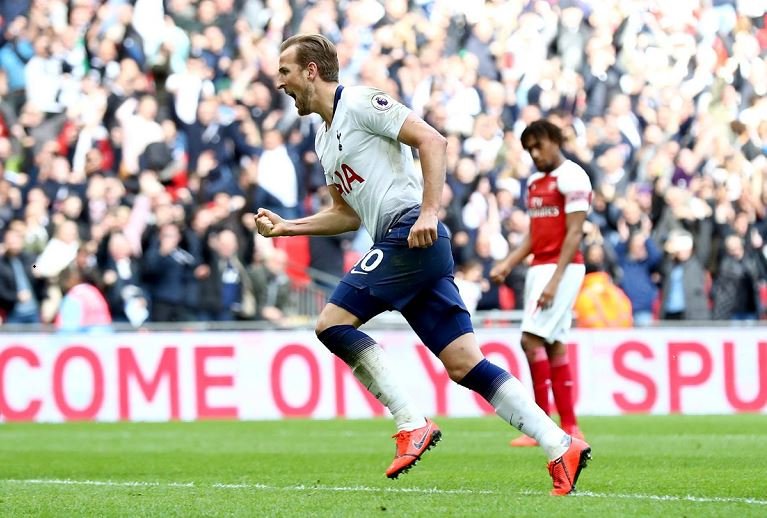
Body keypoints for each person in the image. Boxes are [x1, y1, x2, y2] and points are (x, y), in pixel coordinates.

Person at [255, 34, 590, 495]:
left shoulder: (359, 102)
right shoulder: (322, 136)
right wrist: (287, 228)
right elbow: (347, 213)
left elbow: (432, 140)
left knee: (331, 323)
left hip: (412, 231)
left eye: (285, 72)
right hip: (409, 246)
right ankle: (559, 444)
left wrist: (430, 210)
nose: (279, 83)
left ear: (311, 70)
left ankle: (411, 421)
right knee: (464, 363)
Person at [490, 120, 591, 447]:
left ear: (556, 141)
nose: (535, 153)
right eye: (529, 149)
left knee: (530, 340)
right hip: (540, 268)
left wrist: (556, 280)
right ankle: (571, 427)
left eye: (539, 146)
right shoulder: (534, 181)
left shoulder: (573, 176)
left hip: (561, 269)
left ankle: (540, 424)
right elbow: (535, 234)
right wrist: (509, 262)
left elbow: (574, 232)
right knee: (553, 343)